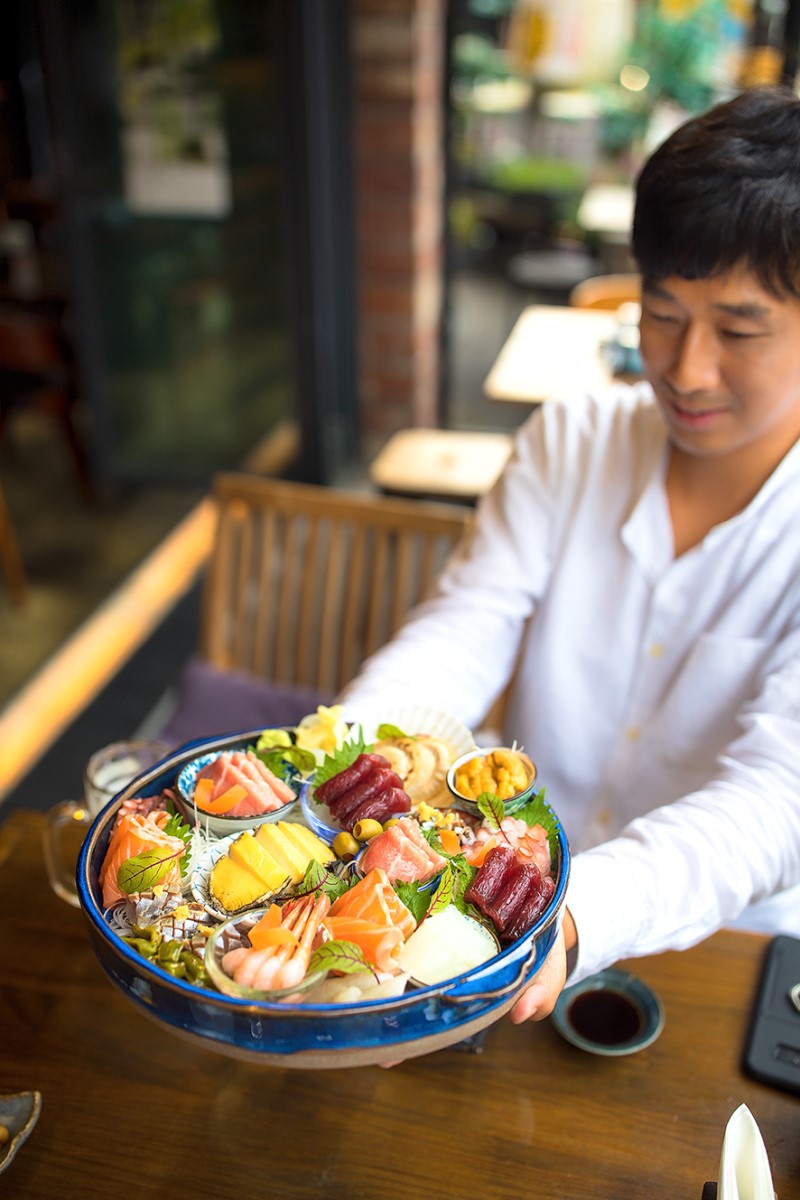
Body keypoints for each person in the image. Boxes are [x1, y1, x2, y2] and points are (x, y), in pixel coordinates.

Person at [339, 85, 800, 1021]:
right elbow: (465, 627)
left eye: (739, 329)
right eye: (662, 314)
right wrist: (349, 752)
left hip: (726, 953)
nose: (685, 367)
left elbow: (776, 794)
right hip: (498, 920)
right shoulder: (574, 438)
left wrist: (583, 909)